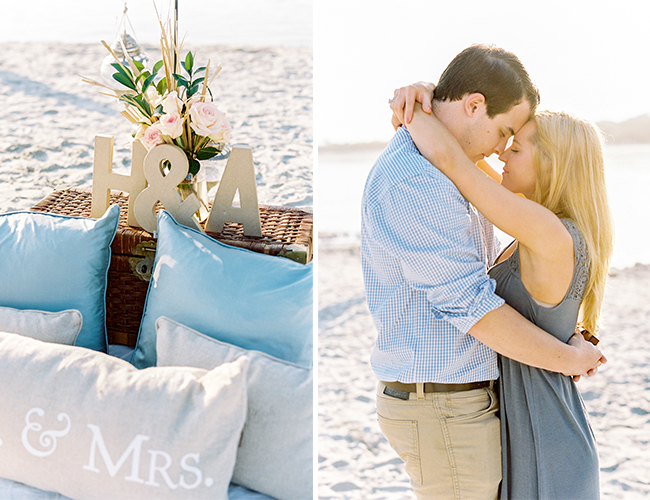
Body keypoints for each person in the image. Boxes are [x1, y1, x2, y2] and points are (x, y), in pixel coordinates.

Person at [360, 44, 605, 500]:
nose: (500, 152)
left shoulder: (473, 184)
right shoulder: (419, 179)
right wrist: (567, 356)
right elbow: (473, 305)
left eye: (515, 143)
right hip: (444, 407)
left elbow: (462, 166)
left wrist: (423, 108)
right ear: (474, 105)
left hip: (493, 412)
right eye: (504, 133)